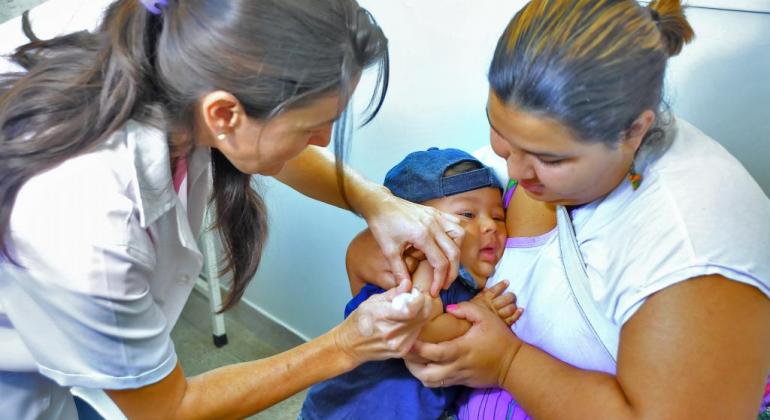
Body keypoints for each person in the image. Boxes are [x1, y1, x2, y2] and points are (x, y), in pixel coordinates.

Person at [0, 1, 466, 418]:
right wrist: (348, 344)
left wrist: (376, 203)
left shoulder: (179, 34)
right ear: (223, 115)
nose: (324, 141)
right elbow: (166, 408)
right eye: (311, 126)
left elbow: (261, 138)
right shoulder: (87, 227)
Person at [349, 0, 770, 418]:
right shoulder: (545, 149)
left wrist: (508, 364)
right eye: (499, 131)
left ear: (635, 131)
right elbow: (385, 250)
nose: (511, 167)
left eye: (548, 160)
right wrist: (376, 256)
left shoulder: (694, 250)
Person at [299, 147, 523, 420]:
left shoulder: (467, 282)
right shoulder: (429, 265)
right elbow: (415, 331)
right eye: (468, 214)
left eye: (498, 217)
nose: (490, 226)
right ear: (416, 226)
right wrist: (479, 315)